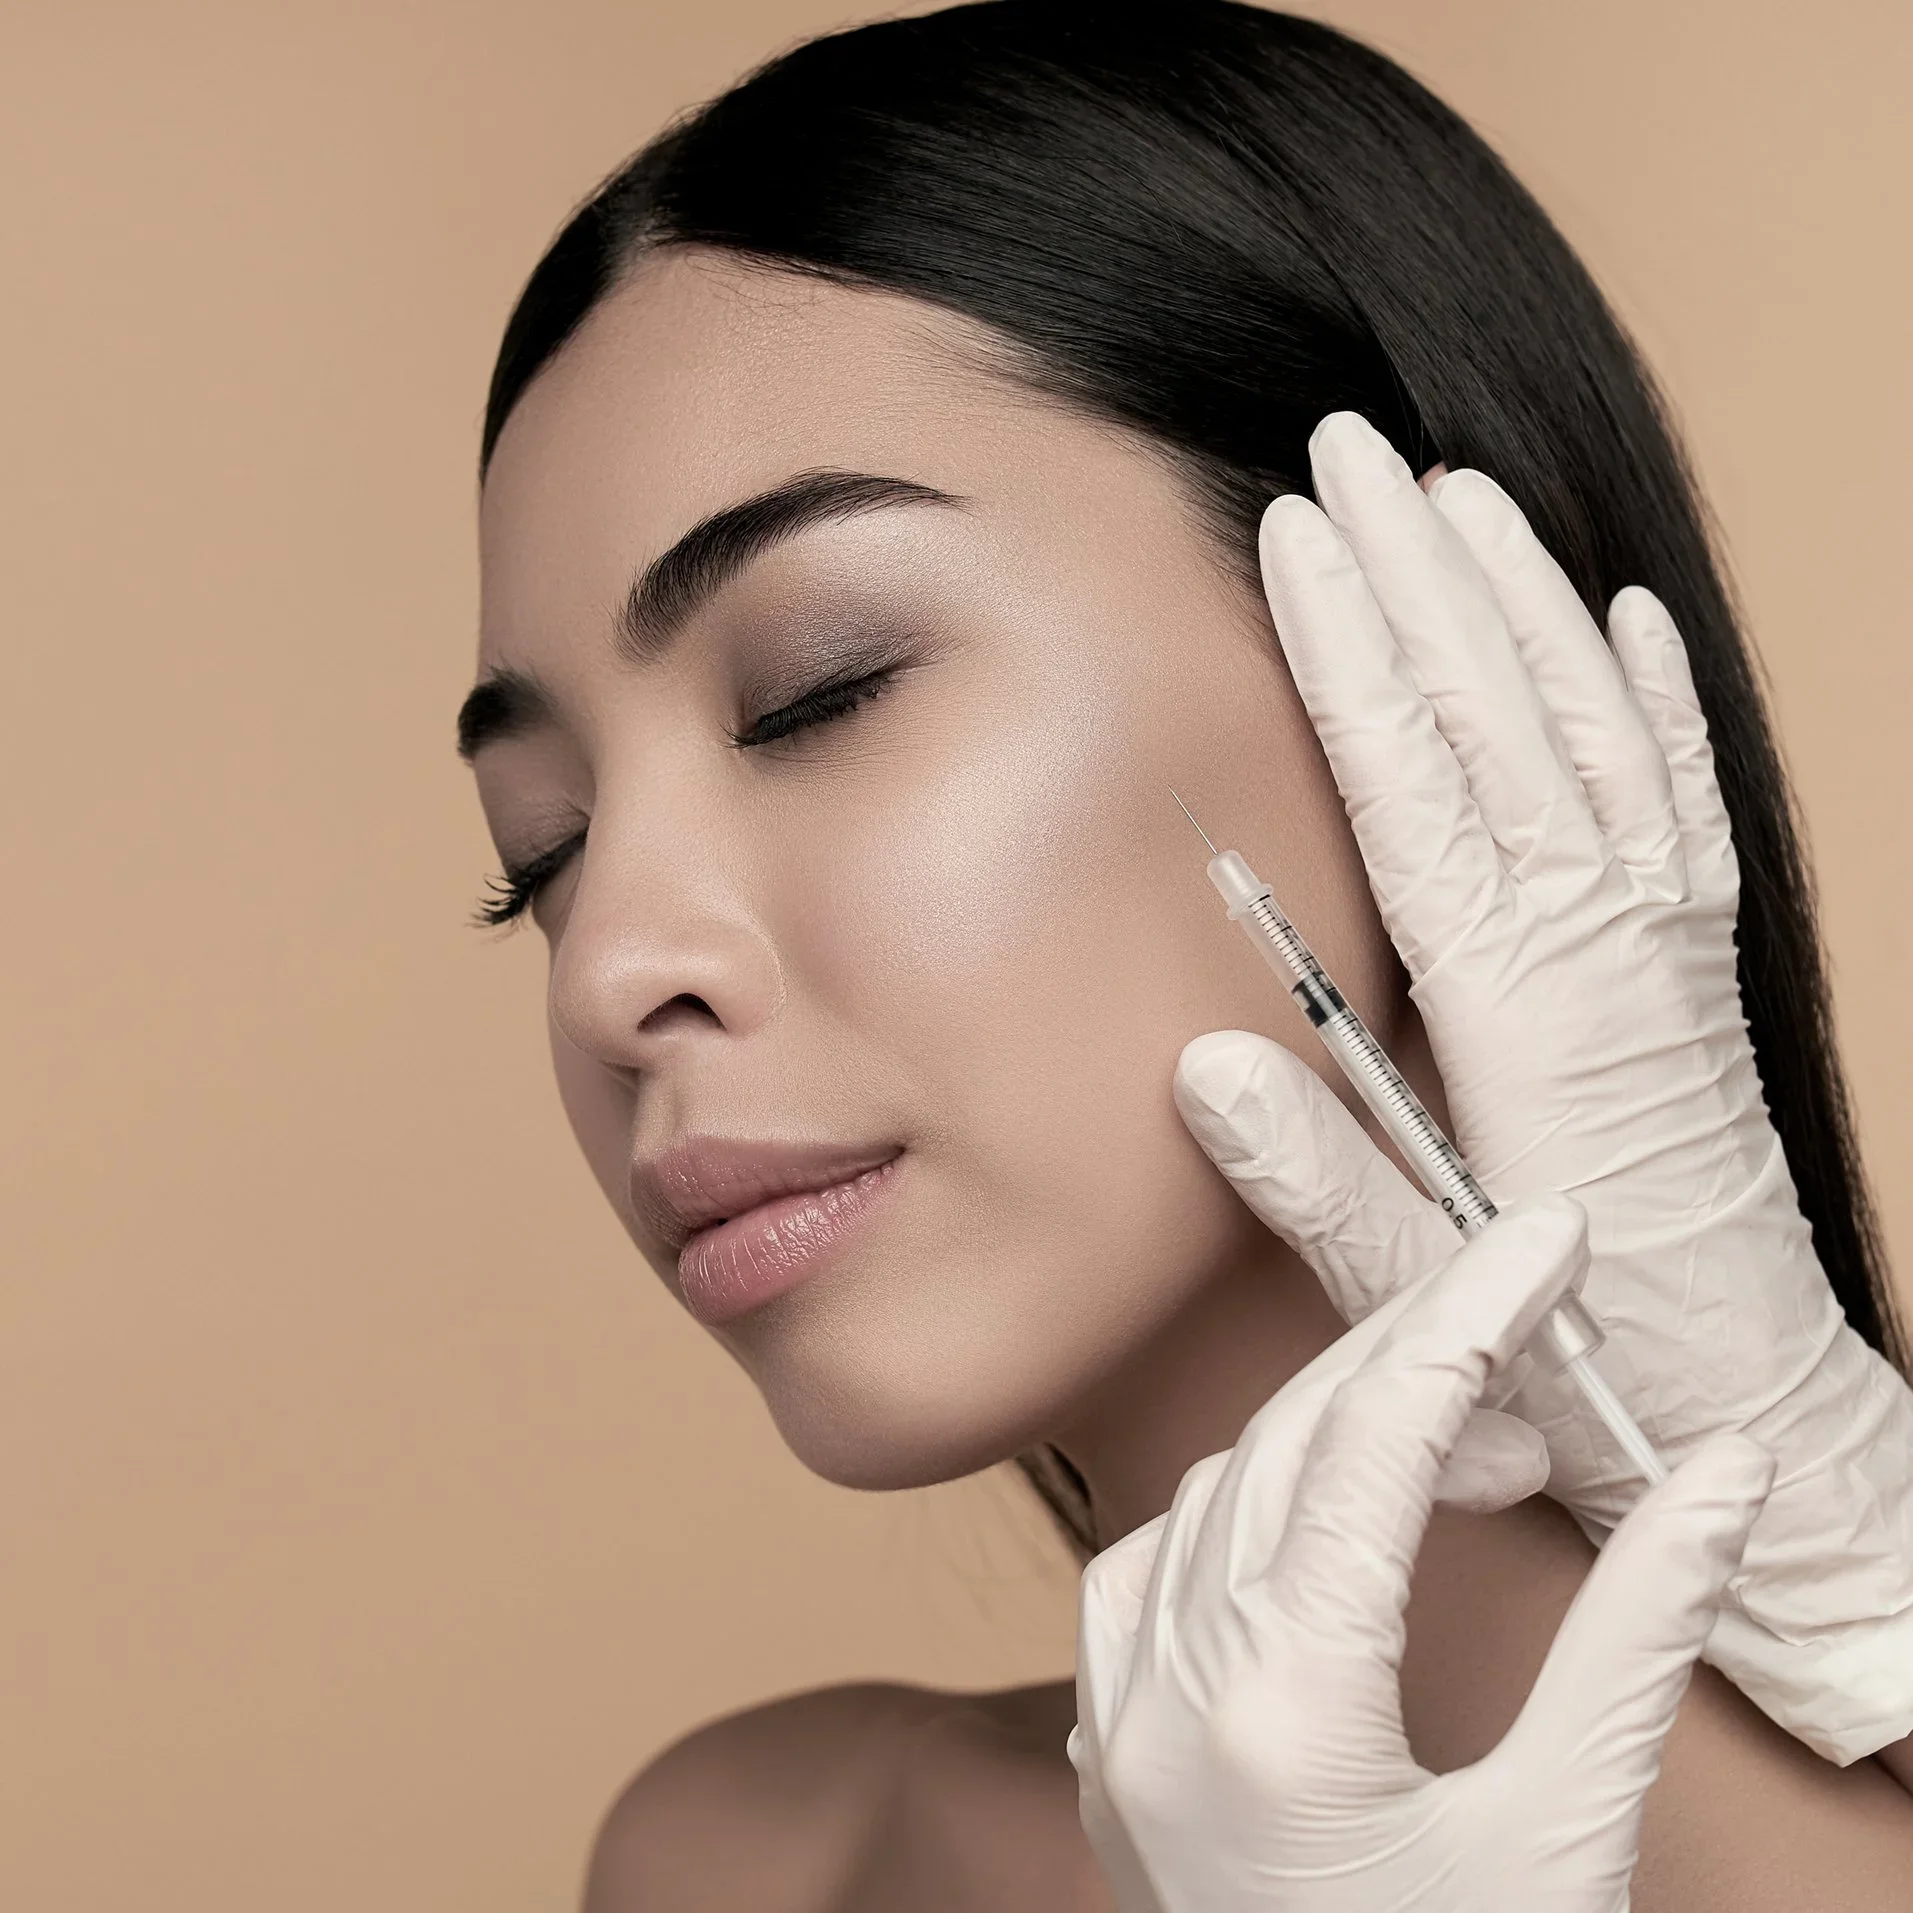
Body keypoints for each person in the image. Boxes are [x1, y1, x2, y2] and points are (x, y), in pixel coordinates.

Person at [457, 5, 1913, 1905]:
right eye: (539, 854)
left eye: (821, 691)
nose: (606, 970)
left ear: (1427, 661)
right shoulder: (768, 1858)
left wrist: (1857, 1555)